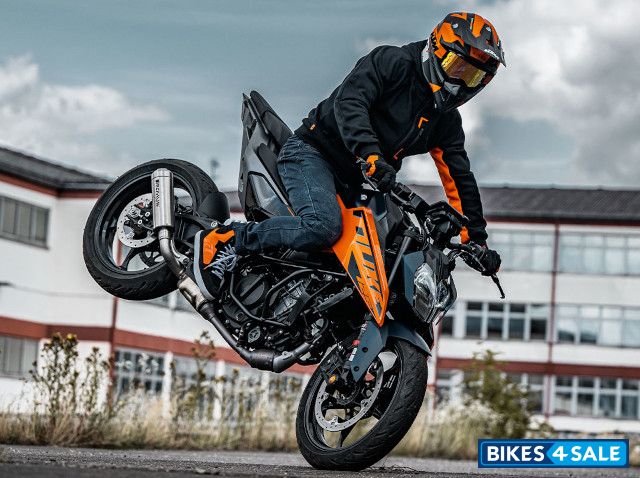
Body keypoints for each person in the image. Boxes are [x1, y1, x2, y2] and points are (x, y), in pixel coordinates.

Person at [196, 11, 503, 290]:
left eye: (472, 76)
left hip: (360, 182)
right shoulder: (393, 62)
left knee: (388, 257)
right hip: (313, 153)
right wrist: (370, 155)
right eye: (457, 67)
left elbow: (460, 178)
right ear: (437, 49)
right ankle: (230, 239)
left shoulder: (446, 122)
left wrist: (476, 241)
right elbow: (351, 103)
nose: (461, 83)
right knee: (322, 227)